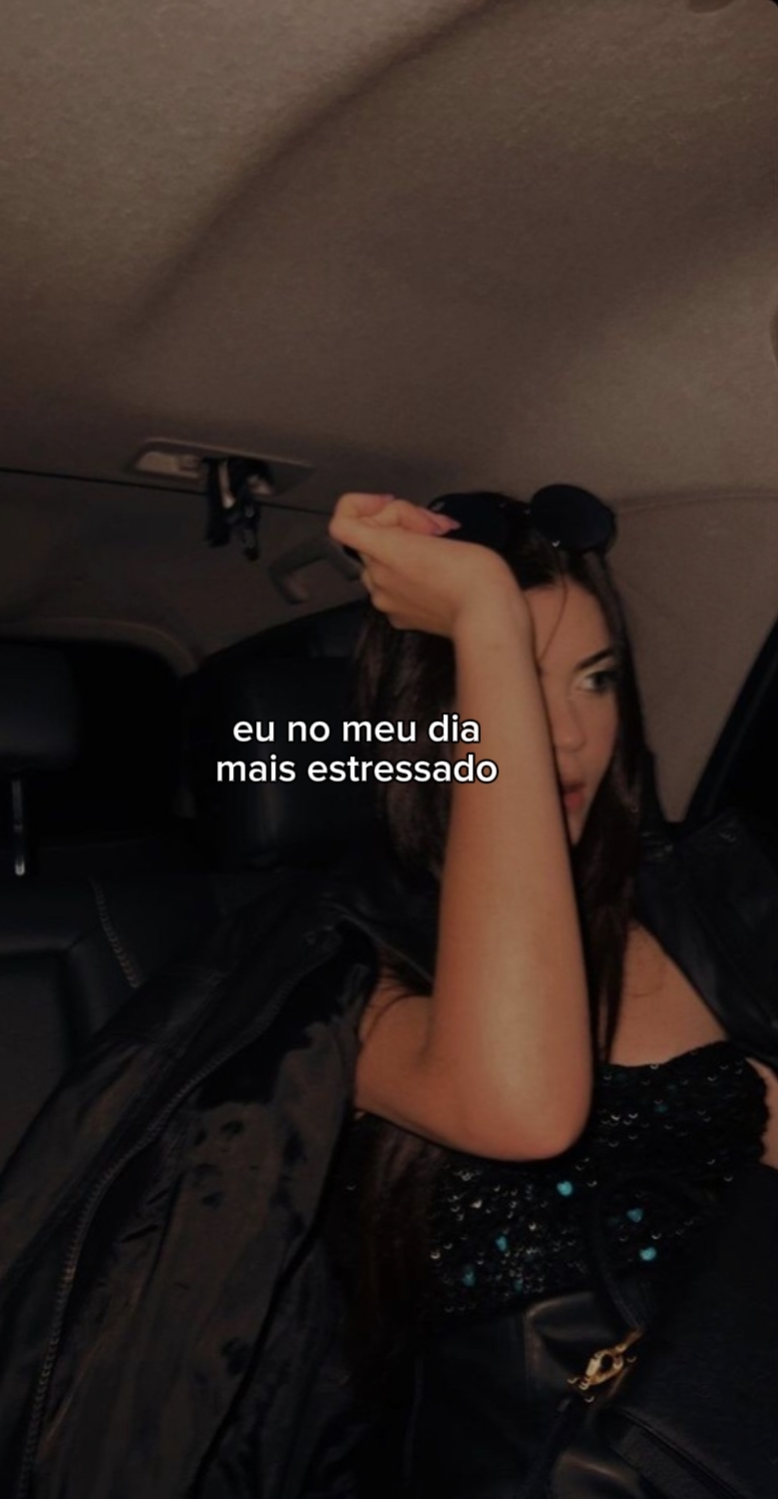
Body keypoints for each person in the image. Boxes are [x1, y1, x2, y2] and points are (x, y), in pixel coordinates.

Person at [324, 487, 778, 1497]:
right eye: (513, 679)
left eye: (594, 678)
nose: (569, 736)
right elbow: (524, 1110)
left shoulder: (700, 903)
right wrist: (480, 609)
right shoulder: (346, 962)